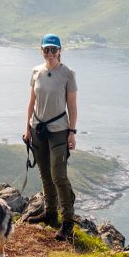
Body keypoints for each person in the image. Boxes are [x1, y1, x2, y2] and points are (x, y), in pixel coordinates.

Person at [22, 33, 78, 240]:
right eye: (47, 50)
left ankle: (68, 223)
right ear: (41, 50)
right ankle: (50, 214)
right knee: (45, 173)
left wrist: (72, 132)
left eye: (54, 50)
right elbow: (31, 102)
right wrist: (27, 128)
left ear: (60, 51)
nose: (50, 54)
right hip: (37, 128)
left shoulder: (68, 74)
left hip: (59, 130)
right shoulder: (36, 71)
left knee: (59, 176)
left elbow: (72, 106)